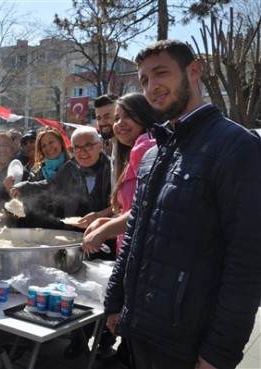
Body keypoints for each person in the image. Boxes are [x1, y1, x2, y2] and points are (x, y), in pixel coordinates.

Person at [104, 40, 261, 369]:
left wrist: (220, 352)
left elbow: (247, 262)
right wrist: (114, 303)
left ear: (193, 72)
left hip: (188, 343)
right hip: (139, 330)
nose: (151, 87)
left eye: (161, 73)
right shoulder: (153, 154)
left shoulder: (237, 147)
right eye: (144, 80)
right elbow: (134, 236)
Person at [83, 93, 162, 255]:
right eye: (117, 118)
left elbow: (147, 209)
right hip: (132, 250)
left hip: (146, 253)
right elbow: (130, 211)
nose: (120, 123)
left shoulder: (146, 147)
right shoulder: (130, 151)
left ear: (145, 115)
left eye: (129, 116)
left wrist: (104, 230)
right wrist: (104, 222)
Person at [11, 126, 113, 234]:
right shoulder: (67, 169)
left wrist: (100, 216)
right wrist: (23, 186)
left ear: (100, 145)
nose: (82, 152)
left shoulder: (114, 169)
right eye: (77, 147)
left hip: (107, 236)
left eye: (87, 146)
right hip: (74, 235)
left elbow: (123, 206)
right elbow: (50, 185)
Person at [5, 127, 71, 228]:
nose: (48, 148)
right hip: (38, 230)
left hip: (65, 229)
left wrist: (25, 186)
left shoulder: (72, 167)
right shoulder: (36, 171)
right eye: (43, 145)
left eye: (51, 142)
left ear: (61, 143)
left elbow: (53, 185)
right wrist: (14, 207)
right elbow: (29, 203)